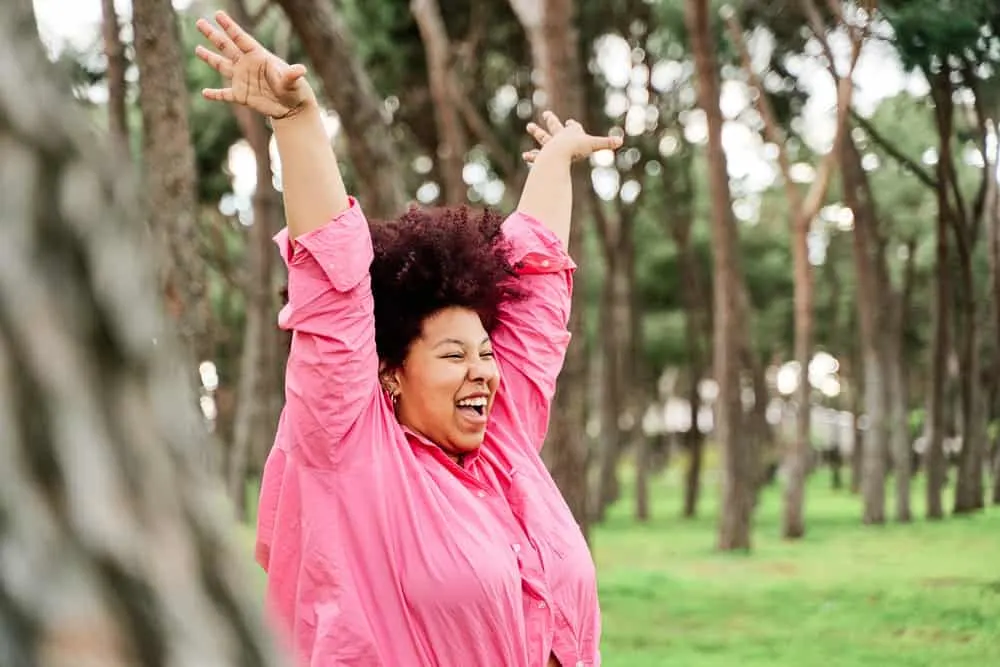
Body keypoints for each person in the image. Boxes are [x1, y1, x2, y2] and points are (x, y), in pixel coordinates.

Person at [195, 10, 623, 667]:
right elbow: (333, 291)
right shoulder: (350, 451)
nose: (483, 369)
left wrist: (558, 160)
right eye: (453, 354)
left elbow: (536, 289)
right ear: (390, 371)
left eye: (484, 351)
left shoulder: (504, 439)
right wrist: (298, 122)